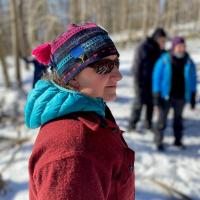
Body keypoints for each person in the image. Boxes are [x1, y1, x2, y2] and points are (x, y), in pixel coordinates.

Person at [24, 22, 135, 200]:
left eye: (116, 63)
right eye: (103, 66)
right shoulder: (72, 153)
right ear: (73, 77)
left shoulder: (90, 113)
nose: (118, 75)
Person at [152, 36, 197, 151]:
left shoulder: (189, 61)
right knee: (162, 120)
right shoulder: (164, 59)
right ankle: (158, 141)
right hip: (165, 96)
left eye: (183, 46)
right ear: (173, 47)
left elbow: (192, 79)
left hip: (181, 96)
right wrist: (156, 93)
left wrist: (192, 94)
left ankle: (178, 141)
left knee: (178, 120)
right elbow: (156, 77)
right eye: (179, 46)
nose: (181, 49)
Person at [128, 28, 167, 131]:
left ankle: (148, 124)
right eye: (162, 40)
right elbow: (136, 66)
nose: (163, 42)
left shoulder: (160, 50)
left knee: (150, 104)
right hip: (141, 81)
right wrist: (138, 82)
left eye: (164, 40)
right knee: (139, 104)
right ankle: (132, 125)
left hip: (153, 83)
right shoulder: (143, 47)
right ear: (156, 38)